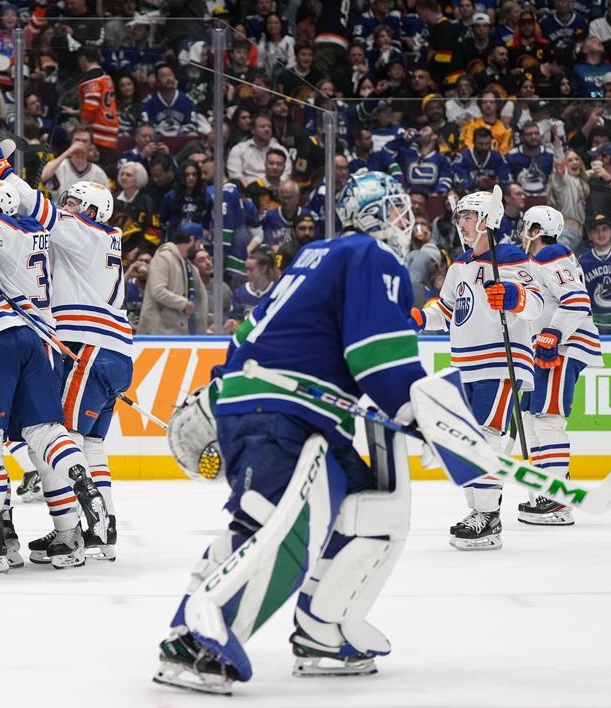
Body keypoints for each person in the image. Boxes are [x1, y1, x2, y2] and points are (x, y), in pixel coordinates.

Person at [153, 171, 428, 694]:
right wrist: (417, 405)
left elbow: (255, 334)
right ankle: (196, 638)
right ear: (372, 214)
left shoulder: (315, 256)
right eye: (393, 209)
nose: (402, 220)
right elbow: (377, 358)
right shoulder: (370, 256)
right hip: (290, 411)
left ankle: (324, 630)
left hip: (277, 404)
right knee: (279, 525)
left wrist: (217, 397)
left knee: (373, 507)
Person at [0, 143, 131, 561]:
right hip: (114, 352)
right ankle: (104, 528)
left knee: (59, 435)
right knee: (92, 443)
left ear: (97, 211)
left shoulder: (88, 235)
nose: (68, 208)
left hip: (87, 348)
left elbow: (37, 208)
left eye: (77, 203)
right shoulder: (99, 240)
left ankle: (74, 532)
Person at [417, 190, 544, 551]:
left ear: (488, 219)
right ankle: (479, 511)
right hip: (466, 366)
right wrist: (418, 318)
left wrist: (515, 297)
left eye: (468, 216)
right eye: (459, 218)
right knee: (469, 441)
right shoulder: (459, 266)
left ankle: (488, 517)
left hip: (503, 365)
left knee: (488, 437)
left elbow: (535, 302)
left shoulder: (511, 259)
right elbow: (445, 312)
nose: (461, 224)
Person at [517, 206, 603, 526]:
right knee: (531, 420)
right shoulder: (535, 262)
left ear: (539, 228)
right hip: (543, 349)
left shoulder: (552, 254)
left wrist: (553, 335)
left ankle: (556, 499)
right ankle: (544, 490)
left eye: (528, 226)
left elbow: (577, 300)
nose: (523, 230)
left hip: (562, 348)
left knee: (547, 419)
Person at [137, 221, 206, 335]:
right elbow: (158, 291)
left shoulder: (189, 266)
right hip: (156, 335)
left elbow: (201, 299)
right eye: (199, 243)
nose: (199, 248)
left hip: (179, 333)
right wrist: (184, 304)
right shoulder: (163, 258)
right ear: (192, 239)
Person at [40, 125, 109, 203]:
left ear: (90, 145)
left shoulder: (98, 173)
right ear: (71, 142)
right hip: (59, 212)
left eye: (84, 141)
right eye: (77, 140)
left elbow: (106, 201)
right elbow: (43, 176)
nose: (79, 144)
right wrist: (68, 152)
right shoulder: (59, 165)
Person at [73, 46, 118, 152]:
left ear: (82, 58)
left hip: (98, 134)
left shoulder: (92, 78)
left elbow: (91, 106)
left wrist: (81, 127)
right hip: (110, 131)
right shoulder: (106, 76)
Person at [226, 114, 292, 188]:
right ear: (253, 130)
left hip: (276, 190)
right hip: (248, 192)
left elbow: (286, 174)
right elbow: (235, 176)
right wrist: (252, 189)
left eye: (269, 127)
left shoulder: (281, 150)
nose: (267, 129)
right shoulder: (239, 149)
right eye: (262, 126)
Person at [140, 64, 203, 137]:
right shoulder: (149, 102)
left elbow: (192, 124)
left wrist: (179, 134)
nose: (168, 78)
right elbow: (147, 125)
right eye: (163, 76)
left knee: (193, 134)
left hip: (181, 140)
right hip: (157, 141)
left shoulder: (187, 100)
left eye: (170, 75)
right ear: (157, 81)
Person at [453, 127, 510, 192]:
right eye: (480, 144)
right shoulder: (463, 158)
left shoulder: (498, 157)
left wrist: (495, 182)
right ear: (473, 142)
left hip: (493, 196)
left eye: (487, 144)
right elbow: (458, 182)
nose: (484, 147)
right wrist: (475, 182)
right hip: (469, 197)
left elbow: (507, 180)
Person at [506, 121, 554, 197]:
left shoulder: (550, 155)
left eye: (536, 133)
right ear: (522, 137)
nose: (533, 136)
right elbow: (508, 183)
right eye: (529, 134)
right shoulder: (512, 156)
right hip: (520, 200)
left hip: (545, 199)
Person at [231, 250, 278, 321]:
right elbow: (233, 316)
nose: (247, 273)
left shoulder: (276, 291)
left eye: (251, 270)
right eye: (246, 269)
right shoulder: (240, 293)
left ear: (263, 269)